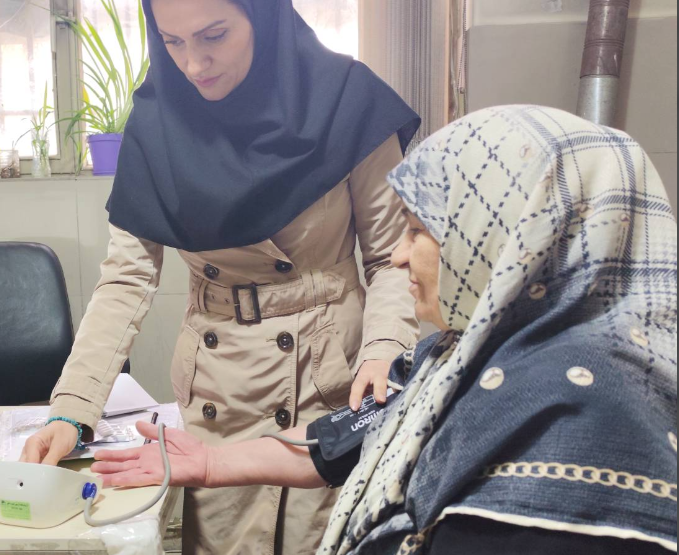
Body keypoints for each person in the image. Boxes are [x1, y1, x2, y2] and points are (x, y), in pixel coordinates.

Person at [92, 105, 678, 554]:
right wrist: (211, 464)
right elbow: (346, 436)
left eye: (419, 232)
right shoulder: (465, 354)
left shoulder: (575, 420)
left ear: (509, 238)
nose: (397, 257)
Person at [21, 0, 421, 554]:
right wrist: (73, 407)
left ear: (261, 8)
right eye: (172, 41)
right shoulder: (156, 123)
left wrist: (384, 351)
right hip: (217, 393)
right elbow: (126, 279)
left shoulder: (346, 100)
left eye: (214, 35)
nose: (194, 63)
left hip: (330, 382)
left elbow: (391, 255)